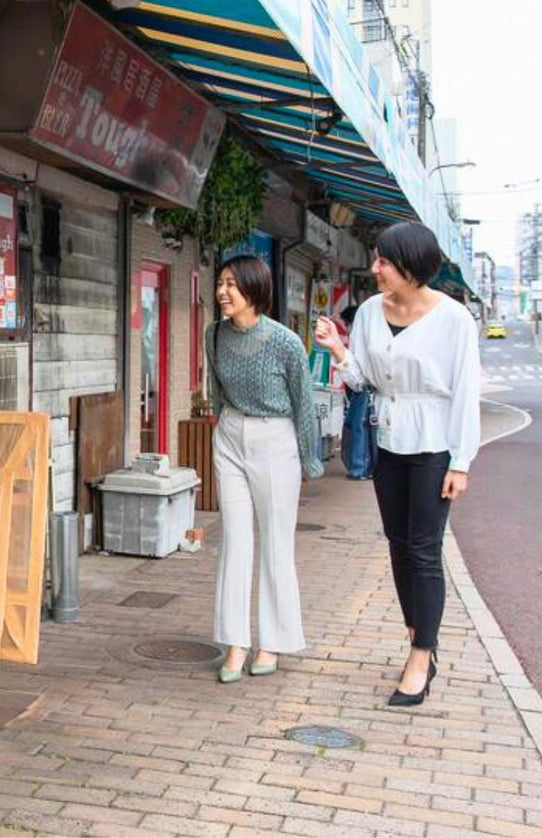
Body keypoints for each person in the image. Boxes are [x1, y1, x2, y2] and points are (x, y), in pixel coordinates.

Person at [313, 222, 480, 707]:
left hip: (435, 444)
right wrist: (338, 350)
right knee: (399, 546)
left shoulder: (453, 320)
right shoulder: (369, 311)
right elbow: (363, 379)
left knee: (425, 549)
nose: (375, 268)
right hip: (389, 440)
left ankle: (421, 654)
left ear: (410, 265)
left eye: (384, 261)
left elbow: (466, 393)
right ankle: (419, 632)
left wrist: (461, 461)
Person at [206, 255, 323, 683]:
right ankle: (235, 643)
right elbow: (216, 388)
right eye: (221, 283)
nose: (223, 292)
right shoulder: (213, 334)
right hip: (231, 434)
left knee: (276, 543)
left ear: (255, 290)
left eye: (232, 284)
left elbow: (304, 403)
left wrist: (309, 457)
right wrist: (225, 424)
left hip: (276, 439)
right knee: (235, 540)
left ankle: (272, 642)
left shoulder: (286, 342)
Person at [339, 304, 378, 481]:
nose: (346, 328)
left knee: (358, 425)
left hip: (363, 387)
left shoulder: (361, 335)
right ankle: (361, 466)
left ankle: (359, 467)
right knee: (360, 425)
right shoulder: (369, 333)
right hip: (364, 387)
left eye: (347, 323)